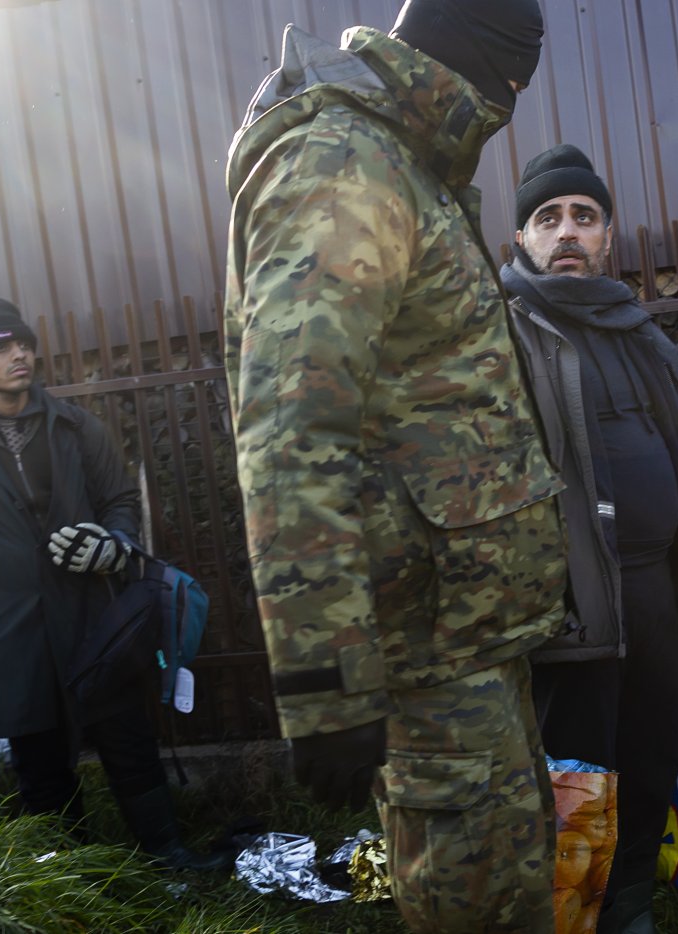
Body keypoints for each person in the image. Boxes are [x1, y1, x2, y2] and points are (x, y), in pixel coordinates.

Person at [222, 3, 567, 931]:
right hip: (422, 652)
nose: (506, 109)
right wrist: (325, 683)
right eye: (510, 86)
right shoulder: (343, 163)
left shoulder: (404, 162)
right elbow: (293, 424)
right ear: (477, 65)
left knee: (510, 891)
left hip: (464, 639)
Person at [504, 144, 678, 934]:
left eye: (583, 216)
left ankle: (628, 907)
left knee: (652, 753)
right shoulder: (505, 337)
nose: (567, 231)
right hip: (571, 595)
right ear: (522, 241)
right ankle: (574, 916)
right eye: (548, 218)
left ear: (609, 235)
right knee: (579, 768)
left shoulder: (633, 328)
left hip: (653, 585)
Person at [0, 297, 225, 872]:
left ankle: (169, 859)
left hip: (96, 620)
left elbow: (120, 500)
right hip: (4, 631)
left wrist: (111, 545)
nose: (19, 353)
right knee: (41, 764)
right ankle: (73, 879)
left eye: (21, 342)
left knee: (129, 740)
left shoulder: (75, 425)